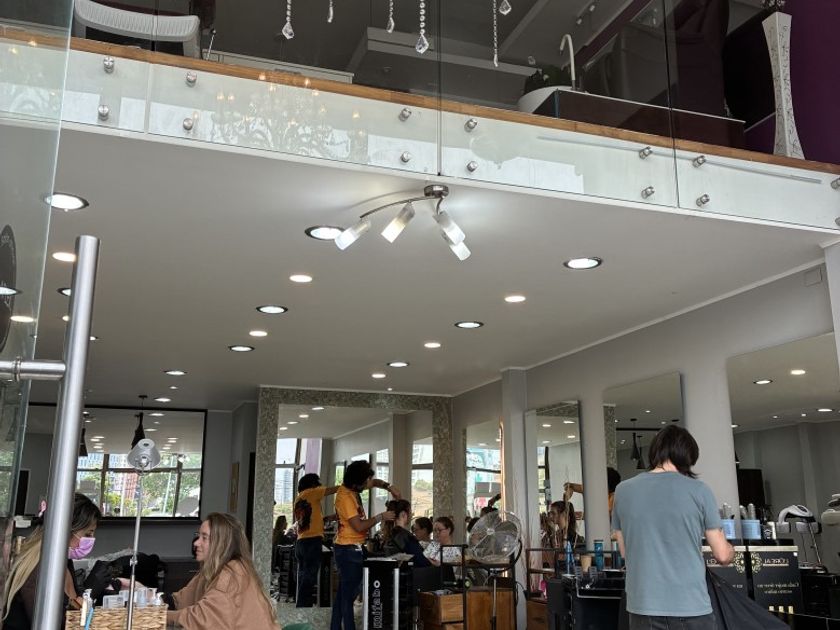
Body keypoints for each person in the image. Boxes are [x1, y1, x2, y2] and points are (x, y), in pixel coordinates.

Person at [611, 425, 734, 630]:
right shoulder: (699, 490)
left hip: (643, 607)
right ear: (687, 456)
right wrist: (731, 551)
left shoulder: (623, 491)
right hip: (690, 605)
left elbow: (625, 551)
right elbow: (722, 555)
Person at [4, 493, 101, 630]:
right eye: (88, 534)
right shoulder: (38, 571)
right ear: (66, 530)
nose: (91, 540)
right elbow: (49, 624)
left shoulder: (63, 562)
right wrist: (90, 593)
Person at [167, 512, 278, 629]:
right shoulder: (211, 570)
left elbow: (202, 619)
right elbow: (179, 600)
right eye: (198, 536)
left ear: (221, 543)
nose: (196, 543)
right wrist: (156, 599)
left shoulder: (232, 573)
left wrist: (161, 615)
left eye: (204, 538)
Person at [331, 460, 399, 630]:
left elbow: (374, 482)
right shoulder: (345, 497)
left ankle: (334, 627)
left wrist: (389, 487)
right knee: (348, 597)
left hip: (352, 548)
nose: (368, 483)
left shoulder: (353, 487)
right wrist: (381, 517)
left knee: (343, 595)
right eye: (365, 481)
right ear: (356, 482)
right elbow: (359, 526)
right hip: (347, 550)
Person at [293, 473, 340, 608]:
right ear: (313, 484)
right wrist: (349, 485)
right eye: (317, 484)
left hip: (301, 542)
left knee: (303, 576)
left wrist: (327, 518)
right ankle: (303, 607)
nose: (319, 487)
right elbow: (333, 490)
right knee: (310, 577)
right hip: (312, 541)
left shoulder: (300, 498)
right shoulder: (311, 492)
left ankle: (302, 606)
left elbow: (308, 520)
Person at [381, 500, 430, 566]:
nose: (411, 515)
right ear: (403, 514)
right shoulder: (406, 537)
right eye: (410, 512)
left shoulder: (389, 535)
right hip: (407, 571)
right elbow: (421, 561)